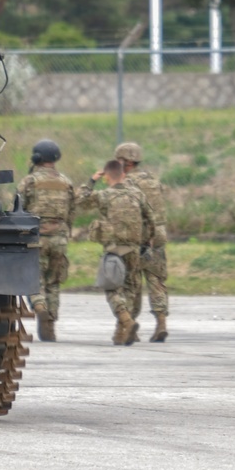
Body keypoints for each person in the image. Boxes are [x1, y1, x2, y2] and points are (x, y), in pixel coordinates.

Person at [78, 159, 154, 345]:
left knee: (112, 288)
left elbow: (80, 200)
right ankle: (122, 333)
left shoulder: (104, 196)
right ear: (123, 174)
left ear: (106, 177)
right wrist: (147, 243)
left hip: (113, 249)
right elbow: (150, 220)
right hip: (134, 248)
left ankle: (126, 321)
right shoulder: (138, 195)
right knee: (130, 289)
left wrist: (91, 180)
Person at [17, 139, 75, 342]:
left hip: (36, 237)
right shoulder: (66, 182)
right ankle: (50, 323)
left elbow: (19, 210)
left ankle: (39, 306)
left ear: (37, 158)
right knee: (54, 282)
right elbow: (71, 212)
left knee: (34, 279)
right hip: (59, 238)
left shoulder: (29, 181)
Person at [115, 142, 170, 342]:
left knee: (132, 283)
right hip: (159, 235)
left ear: (123, 161)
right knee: (156, 281)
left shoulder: (126, 183)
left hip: (138, 237)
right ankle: (161, 323)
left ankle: (132, 327)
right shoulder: (153, 181)